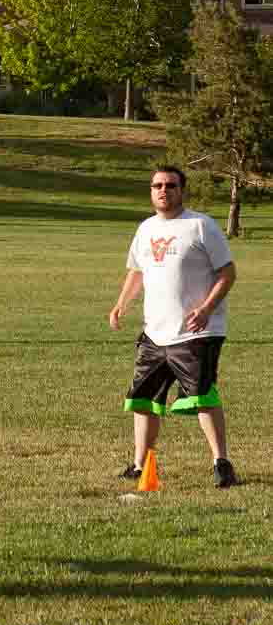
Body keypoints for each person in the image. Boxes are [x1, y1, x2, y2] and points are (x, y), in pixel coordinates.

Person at [109, 165, 239, 488]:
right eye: (157, 186)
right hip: (155, 332)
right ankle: (141, 465)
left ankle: (221, 462)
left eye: (170, 185)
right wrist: (121, 304)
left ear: (182, 190)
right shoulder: (146, 229)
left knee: (201, 396)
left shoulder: (200, 226)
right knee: (143, 398)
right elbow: (137, 272)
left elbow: (228, 273)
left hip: (196, 332)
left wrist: (207, 308)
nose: (163, 190)